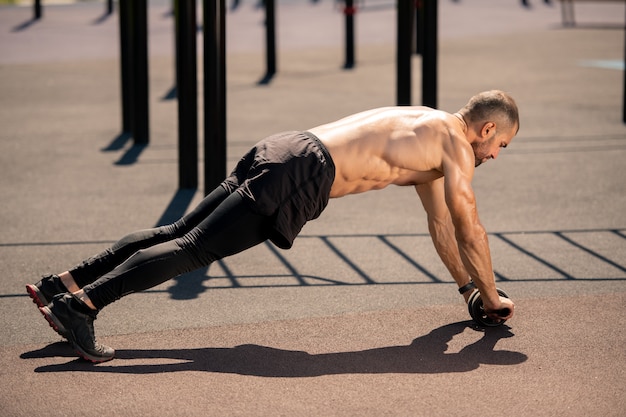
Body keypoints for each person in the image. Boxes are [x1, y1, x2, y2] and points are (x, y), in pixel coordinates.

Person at [27, 90, 519, 363]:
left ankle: (63, 286)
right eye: (502, 145)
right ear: (488, 128)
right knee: (193, 249)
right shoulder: (456, 147)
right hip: (305, 172)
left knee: (176, 232)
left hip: (287, 147)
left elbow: (442, 226)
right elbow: (469, 227)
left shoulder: (428, 126)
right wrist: (494, 296)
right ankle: (82, 307)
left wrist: (468, 291)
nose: (497, 155)